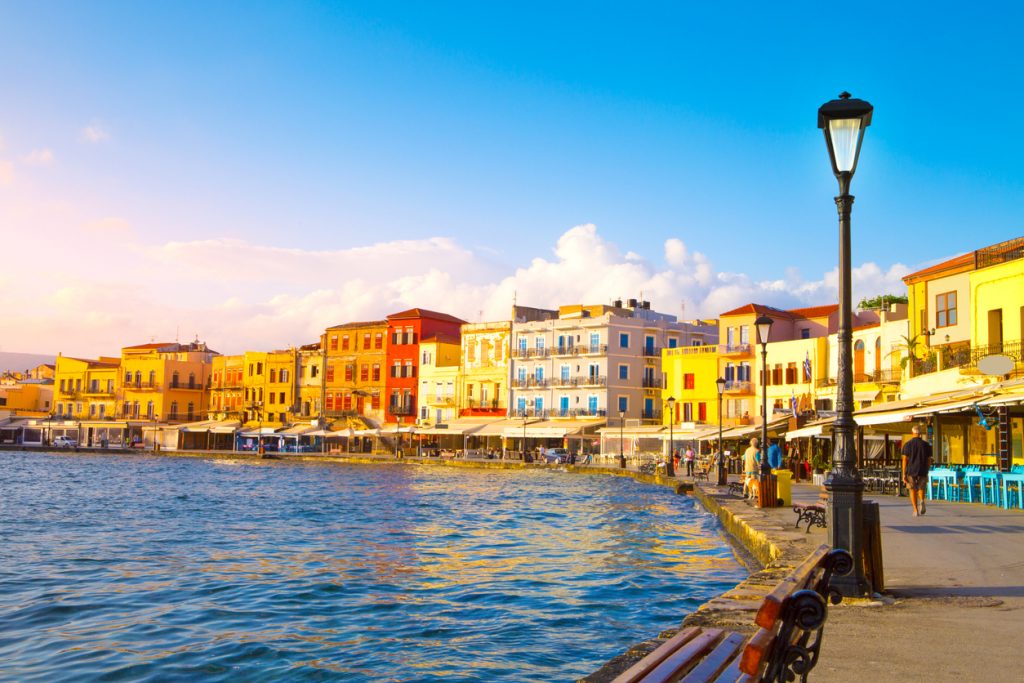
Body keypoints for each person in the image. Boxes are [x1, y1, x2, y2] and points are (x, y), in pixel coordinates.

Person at [902, 424, 932, 516]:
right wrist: (927, 469)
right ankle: (922, 500)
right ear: (920, 434)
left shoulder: (907, 444)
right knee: (921, 487)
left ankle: (915, 510)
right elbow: (929, 459)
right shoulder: (926, 445)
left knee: (912, 489)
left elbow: (904, 460)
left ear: (912, 433)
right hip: (922, 469)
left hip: (911, 470)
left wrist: (904, 473)